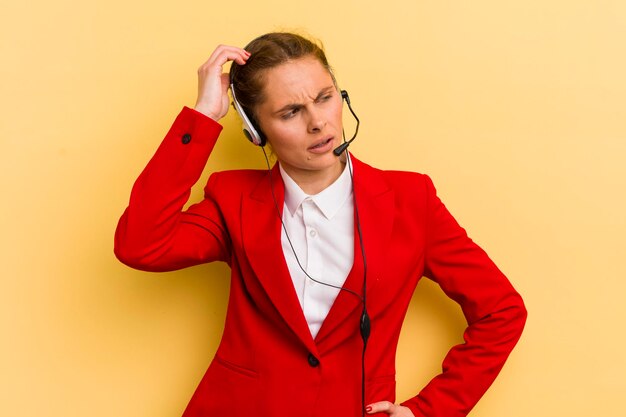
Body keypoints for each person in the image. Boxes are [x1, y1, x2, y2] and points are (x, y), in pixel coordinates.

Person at [114, 32, 527, 417]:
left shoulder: (410, 200)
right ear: (256, 130)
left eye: (325, 98)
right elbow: (140, 245)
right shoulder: (232, 198)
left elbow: (502, 311)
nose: (318, 123)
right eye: (291, 111)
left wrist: (429, 410)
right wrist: (203, 117)